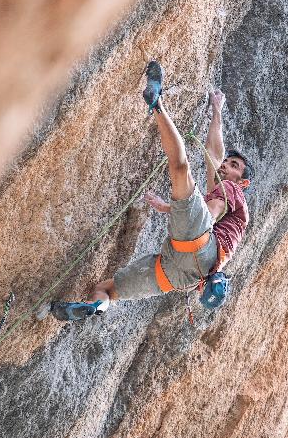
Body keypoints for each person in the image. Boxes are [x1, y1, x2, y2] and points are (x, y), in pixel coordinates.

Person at [36, 62, 252, 322]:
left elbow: (211, 211)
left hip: (200, 247)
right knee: (106, 290)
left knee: (180, 167)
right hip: (178, 277)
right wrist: (216, 111)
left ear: (243, 181)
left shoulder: (233, 190)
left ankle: (156, 103)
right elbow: (215, 156)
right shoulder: (225, 190)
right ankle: (94, 308)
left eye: (235, 166)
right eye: (229, 162)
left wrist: (168, 207)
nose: (227, 166)